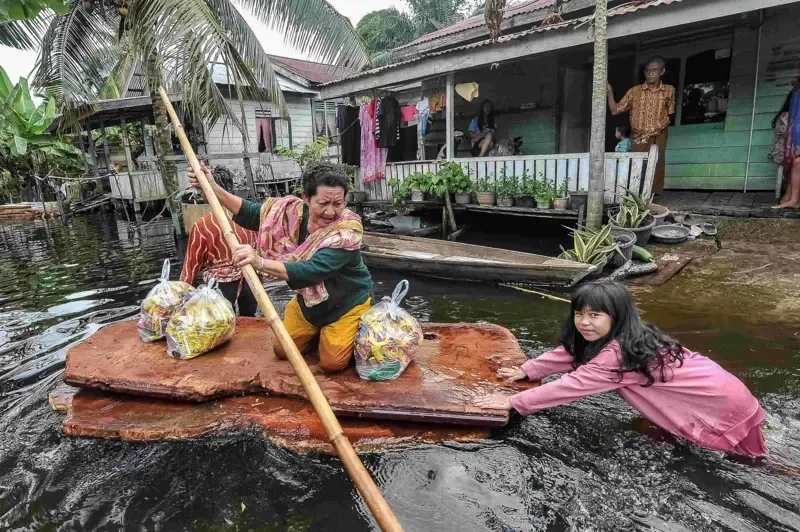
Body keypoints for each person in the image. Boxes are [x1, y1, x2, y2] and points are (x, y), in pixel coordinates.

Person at [474, 281, 767, 457]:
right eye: (579, 314)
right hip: (723, 390)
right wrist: (530, 370)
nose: (584, 322)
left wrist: (512, 400)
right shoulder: (632, 334)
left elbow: (572, 385)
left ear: (617, 317)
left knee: (754, 461)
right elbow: (571, 352)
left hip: (721, 407)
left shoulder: (618, 354)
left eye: (595, 315)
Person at [184, 161, 374, 373]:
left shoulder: (346, 233)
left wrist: (260, 262)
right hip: (309, 304)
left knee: (332, 363)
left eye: (338, 204)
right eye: (323, 203)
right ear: (306, 198)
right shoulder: (290, 214)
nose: (331, 212)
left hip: (345, 305)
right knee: (281, 350)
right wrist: (210, 187)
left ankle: (348, 329)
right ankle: (316, 332)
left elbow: (311, 271)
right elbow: (251, 213)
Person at [607, 57, 676, 194]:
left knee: (658, 162)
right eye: (647, 70)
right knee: (637, 164)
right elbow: (615, 110)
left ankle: (654, 195)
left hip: (660, 133)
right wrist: (609, 91)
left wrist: (659, 124)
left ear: (662, 71)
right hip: (639, 135)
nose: (650, 73)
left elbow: (670, 113)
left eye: (654, 70)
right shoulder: (635, 91)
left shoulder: (669, 90)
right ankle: (636, 193)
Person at [771, 77, 800, 209]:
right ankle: (792, 198)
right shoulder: (786, 117)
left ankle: (792, 198)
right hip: (786, 153)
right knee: (798, 162)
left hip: (795, 153)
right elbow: (790, 139)